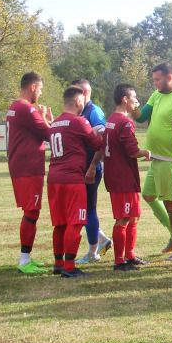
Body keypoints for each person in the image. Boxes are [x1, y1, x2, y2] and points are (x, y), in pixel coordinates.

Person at [47, 86, 105, 278]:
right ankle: (70, 267)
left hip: (54, 178)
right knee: (76, 221)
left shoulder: (55, 123)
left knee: (60, 222)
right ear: (79, 102)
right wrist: (101, 133)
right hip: (72, 179)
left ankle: (58, 263)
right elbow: (97, 145)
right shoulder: (79, 121)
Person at [132, 63, 172, 260]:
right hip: (155, 156)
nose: (155, 83)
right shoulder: (157, 95)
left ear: (169, 78)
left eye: (157, 79)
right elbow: (141, 117)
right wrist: (134, 105)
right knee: (148, 195)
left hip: (170, 158)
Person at [6, 71, 53, 274]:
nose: (40, 94)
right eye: (40, 89)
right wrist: (45, 118)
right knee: (31, 211)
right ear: (32, 87)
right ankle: (24, 260)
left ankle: (26, 258)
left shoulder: (14, 107)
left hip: (21, 165)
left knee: (31, 210)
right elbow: (49, 134)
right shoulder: (26, 109)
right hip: (27, 167)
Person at [103, 84, 151, 271]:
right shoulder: (125, 122)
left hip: (119, 175)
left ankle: (130, 255)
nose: (137, 101)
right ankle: (119, 261)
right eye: (134, 97)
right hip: (122, 177)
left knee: (133, 216)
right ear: (125, 99)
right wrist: (146, 152)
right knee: (123, 218)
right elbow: (131, 151)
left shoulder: (111, 120)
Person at [70, 79, 112, 264]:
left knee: (88, 209)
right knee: (84, 209)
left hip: (90, 169)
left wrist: (93, 167)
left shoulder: (94, 111)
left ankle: (93, 252)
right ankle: (102, 240)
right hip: (82, 168)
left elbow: (102, 141)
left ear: (84, 93)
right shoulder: (82, 111)